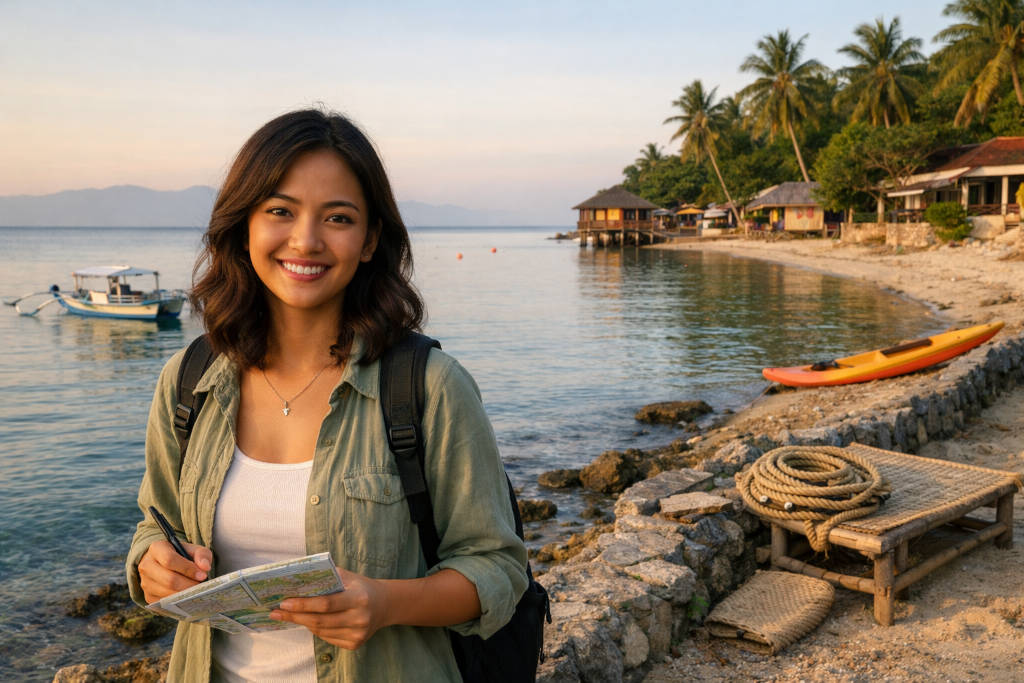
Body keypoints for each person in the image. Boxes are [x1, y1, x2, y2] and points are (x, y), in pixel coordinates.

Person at [126, 109, 528, 682]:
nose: (306, 240)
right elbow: (153, 525)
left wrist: (387, 604)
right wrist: (152, 566)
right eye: (280, 211)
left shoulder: (430, 386)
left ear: (369, 241)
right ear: (245, 226)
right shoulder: (189, 380)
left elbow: (497, 568)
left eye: (337, 217)